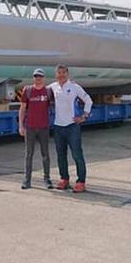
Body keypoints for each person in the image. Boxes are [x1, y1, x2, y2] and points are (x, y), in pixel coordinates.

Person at [50, 64, 93, 193]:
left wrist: (84, 116)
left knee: (77, 155)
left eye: (63, 72)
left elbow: (88, 100)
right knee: (61, 155)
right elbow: (41, 94)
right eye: (59, 73)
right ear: (56, 74)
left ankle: (81, 181)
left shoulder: (74, 87)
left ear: (67, 74)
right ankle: (64, 179)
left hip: (72, 126)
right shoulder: (52, 87)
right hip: (58, 126)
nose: (61, 75)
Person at [18, 68, 54, 190]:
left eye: (40, 76)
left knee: (45, 154)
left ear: (43, 78)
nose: (38, 78)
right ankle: (27, 180)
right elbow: (22, 109)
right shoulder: (27, 91)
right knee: (29, 154)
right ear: (33, 78)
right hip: (30, 127)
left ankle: (47, 179)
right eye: (36, 76)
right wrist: (21, 125)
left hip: (44, 127)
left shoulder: (48, 91)